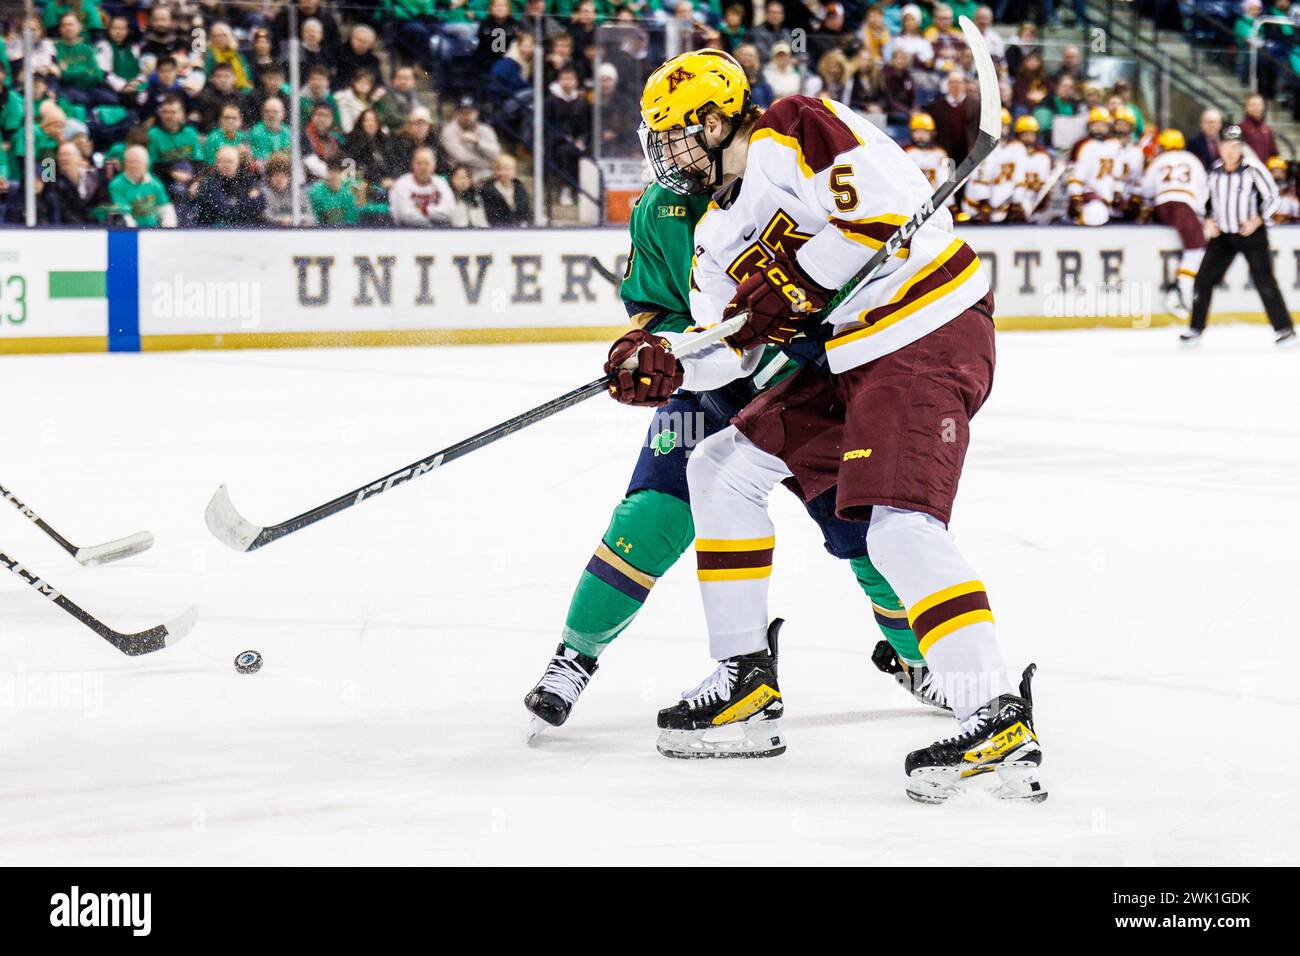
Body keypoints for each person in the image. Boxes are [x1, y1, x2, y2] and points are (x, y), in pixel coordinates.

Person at [629, 51, 1044, 801]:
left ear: (717, 119)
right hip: (847, 359)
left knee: (898, 529)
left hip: (923, 327)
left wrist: (794, 280)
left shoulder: (792, 128)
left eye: (676, 135)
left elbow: (880, 216)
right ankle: (744, 676)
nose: (668, 155)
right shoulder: (716, 236)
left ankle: (995, 712)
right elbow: (729, 345)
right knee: (718, 466)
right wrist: (667, 363)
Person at [523, 170, 941, 739]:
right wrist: (659, 354)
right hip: (709, 393)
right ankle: (575, 657)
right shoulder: (659, 208)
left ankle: (916, 661)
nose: (674, 152)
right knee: (650, 516)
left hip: (809, 391)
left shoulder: (783, 180)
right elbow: (653, 311)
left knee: (867, 537)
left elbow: (849, 272)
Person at [1182, 125, 1296, 348]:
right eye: (1227, 146)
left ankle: (1285, 330)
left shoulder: (1253, 169)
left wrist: (1258, 219)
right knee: (1203, 280)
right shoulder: (1214, 172)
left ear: (1242, 147)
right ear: (1220, 147)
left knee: (1265, 281)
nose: (1231, 151)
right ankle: (1195, 328)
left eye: (1236, 146)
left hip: (1251, 235)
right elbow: (1202, 201)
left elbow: (1273, 196)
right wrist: (1208, 220)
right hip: (1223, 236)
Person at [1138, 128, 1208, 321]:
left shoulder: (1159, 161)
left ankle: (1180, 291)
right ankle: (1178, 292)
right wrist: (1200, 212)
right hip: (1184, 204)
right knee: (1197, 248)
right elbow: (1203, 189)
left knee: (1194, 247)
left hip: (1163, 205)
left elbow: (1146, 188)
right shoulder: (1193, 160)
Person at [109, 143, 176, 227]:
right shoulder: (116, 184)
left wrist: (168, 230)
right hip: (128, 230)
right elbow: (124, 214)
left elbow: (166, 209)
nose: (133, 165)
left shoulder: (155, 184)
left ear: (146, 164)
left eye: (137, 162)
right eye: (130, 162)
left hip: (153, 230)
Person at [389, 145, 455, 227]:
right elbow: (406, 215)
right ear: (413, 164)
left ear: (434, 165)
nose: (423, 167)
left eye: (427, 163)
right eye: (419, 163)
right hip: (407, 233)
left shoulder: (441, 182)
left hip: (439, 234)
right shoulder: (402, 183)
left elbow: (449, 212)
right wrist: (430, 226)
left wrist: (423, 210)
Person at [440, 97, 502, 182]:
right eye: (462, 112)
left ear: (477, 113)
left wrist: (477, 142)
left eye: (470, 113)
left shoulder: (486, 129)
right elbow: (462, 158)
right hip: (458, 172)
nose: (466, 116)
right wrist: (487, 164)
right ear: (457, 114)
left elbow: (496, 154)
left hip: (484, 171)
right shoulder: (449, 131)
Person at [481, 153, 532, 226]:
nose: (505, 172)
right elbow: (491, 217)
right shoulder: (488, 190)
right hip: (498, 231)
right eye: (503, 169)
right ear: (497, 171)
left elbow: (527, 212)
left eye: (509, 169)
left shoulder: (520, 188)